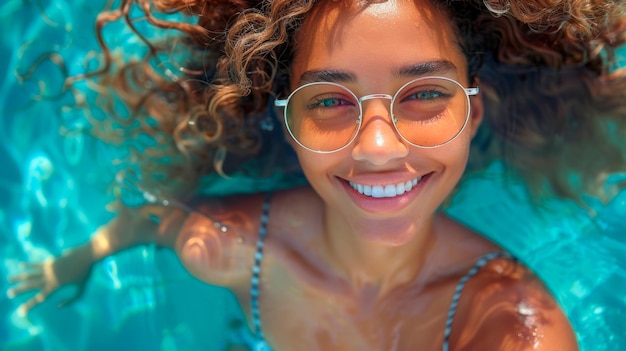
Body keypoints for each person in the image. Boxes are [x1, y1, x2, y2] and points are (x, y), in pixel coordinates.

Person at [8, 0, 626, 349]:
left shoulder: (509, 325)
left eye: (425, 94)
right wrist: (73, 263)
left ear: (475, 112)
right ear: (287, 122)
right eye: (329, 101)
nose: (379, 148)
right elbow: (149, 220)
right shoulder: (230, 249)